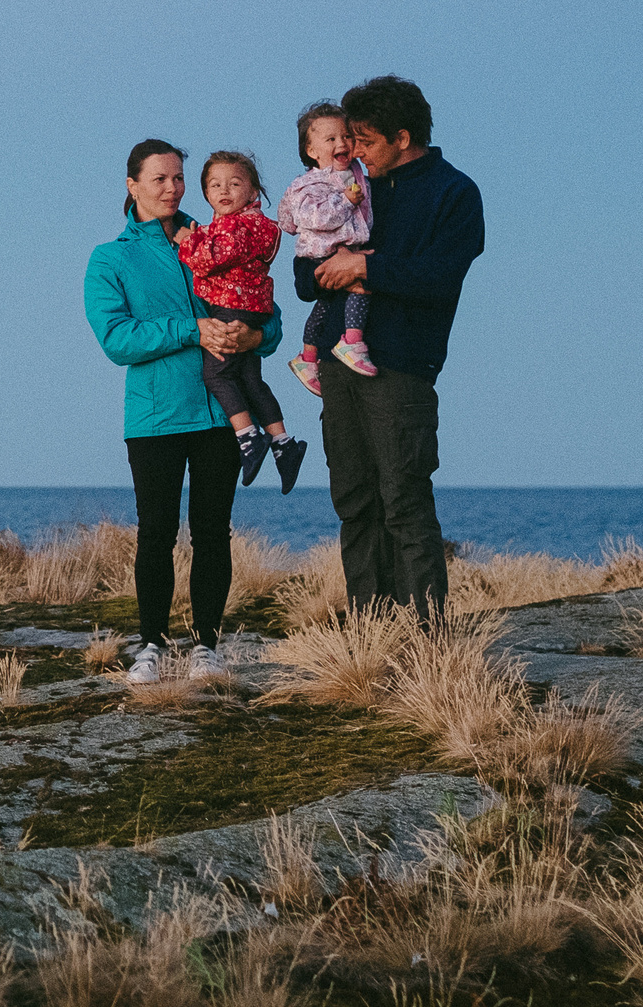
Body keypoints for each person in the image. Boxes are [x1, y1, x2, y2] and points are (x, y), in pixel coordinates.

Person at [83, 138, 269, 683]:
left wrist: (256, 335)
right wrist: (193, 330)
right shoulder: (111, 258)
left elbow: (265, 309)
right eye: (160, 178)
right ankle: (150, 646)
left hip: (221, 414)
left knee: (213, 533)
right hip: (154, 419)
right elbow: (118, 340)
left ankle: (206, 647)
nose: (173, 188)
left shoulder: (217, 237)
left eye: (179, 178)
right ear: (132, 185)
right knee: (156, 534)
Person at [295, 75, 482, 616]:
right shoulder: (351, 184)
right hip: (337, 364)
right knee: (354, 503)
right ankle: (369, 634)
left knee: (404, 501)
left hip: (401, 366)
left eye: (366, 140)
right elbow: (305, 277)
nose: (353, 150)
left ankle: (425, 640)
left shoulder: (454, 192)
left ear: (403, 138)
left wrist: (365, 267)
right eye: (350, 139)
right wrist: (335, 266)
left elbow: (441, 276)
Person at [176, 150, 307, 492]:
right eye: (214, 185)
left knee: (216, 374)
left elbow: (210, 259)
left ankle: (249, 437)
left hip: (232, 305)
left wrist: (188, 242)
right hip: (253, 307)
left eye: (234, 184)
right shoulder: (245, 224)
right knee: (250, 379)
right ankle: (283, 444)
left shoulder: (238, 225)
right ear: (206, 193)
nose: (224, 190)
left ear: (253, 192)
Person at [276, 102, 377, 391]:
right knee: (359, 287)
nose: (341, 143)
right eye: (331, 139)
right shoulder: (309, 184)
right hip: (321, 252)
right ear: (312, 151)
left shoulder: (357, 175)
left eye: (346, 136)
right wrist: (345, 201)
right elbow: (310, 218)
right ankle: (352, 341)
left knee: (325, 306)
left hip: (343, 248)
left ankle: (308, 357)